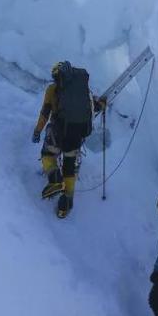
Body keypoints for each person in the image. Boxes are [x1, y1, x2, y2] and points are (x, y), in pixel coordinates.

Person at [32, 61, 106, 218]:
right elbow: (94, 106)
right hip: (76, 135)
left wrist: (37, 130)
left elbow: (45, 113)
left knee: (47, 155)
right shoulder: (82, 90)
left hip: (58, 133)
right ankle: (65, 204)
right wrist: (102, 103)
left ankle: (55, 179)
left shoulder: (52, 89)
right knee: (69, 167)